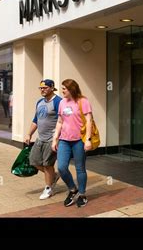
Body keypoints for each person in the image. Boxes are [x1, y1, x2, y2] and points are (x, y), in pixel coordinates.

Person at [52, 79, 93, 208]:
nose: (62, 90)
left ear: (72, 89)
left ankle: (82, 194)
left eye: (64, 88)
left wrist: (88, 139)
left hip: (79, 140)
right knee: (62, 167)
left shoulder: (83, 101)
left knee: (80, 168)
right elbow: (59, 121)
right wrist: (55, 138)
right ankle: (72, 189)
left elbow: (89, 121)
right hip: (64, 140)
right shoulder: (62, 103)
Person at [25, 79, 62, 200]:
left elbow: (63, 121)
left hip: (52, 139)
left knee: (47, 164)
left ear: (52, 88)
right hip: (40, 139)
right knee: (33, 161)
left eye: (45, 88)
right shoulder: (40, 102)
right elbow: (36, 120)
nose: (42, 90)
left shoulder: (58, 102)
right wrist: (29, 134)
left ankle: (48, 188)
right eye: (40, 88)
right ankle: (54, 176)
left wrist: (57, 138)